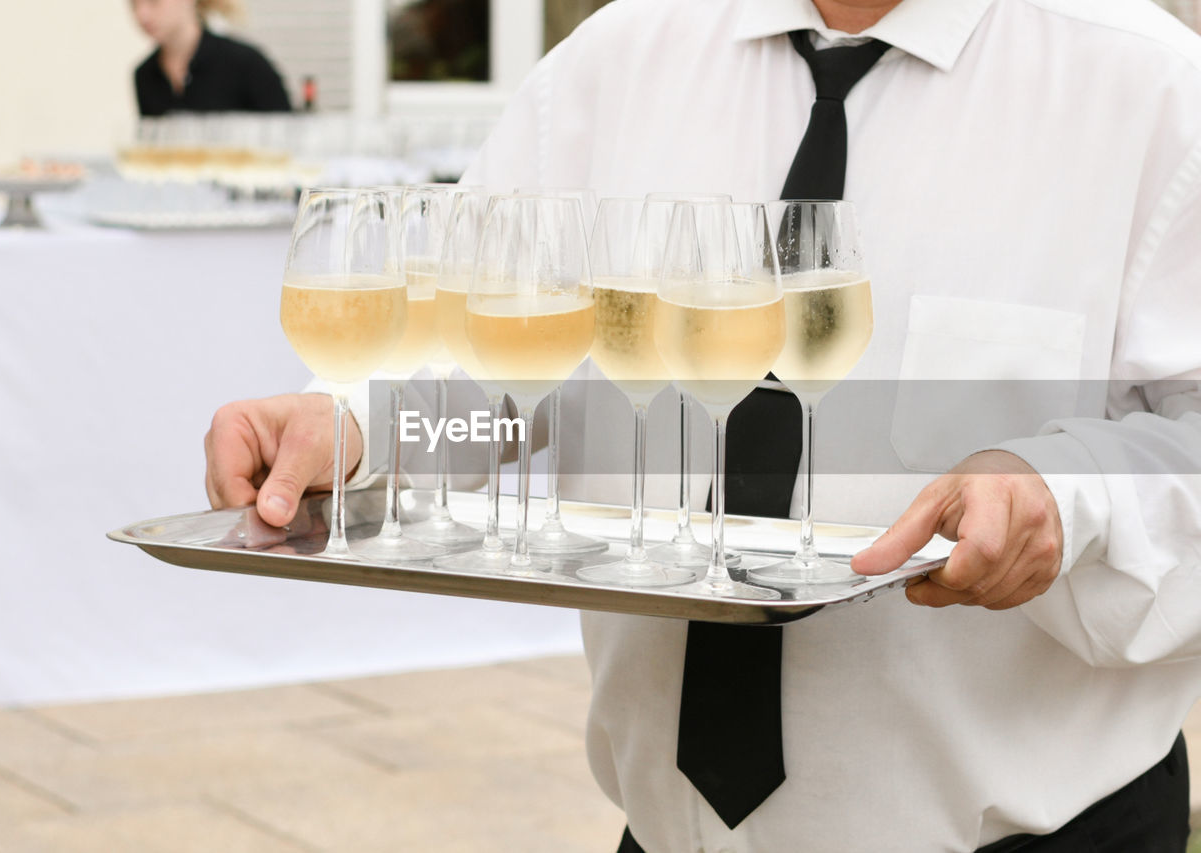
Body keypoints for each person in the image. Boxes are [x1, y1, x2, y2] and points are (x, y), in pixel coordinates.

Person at [204, 0, 1201, 849]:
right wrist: (355, 424)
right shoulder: (611, 61)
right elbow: (494, 359)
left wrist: (1068, 497)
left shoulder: (1149, 87)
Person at [131, 0, 291, 116]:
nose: (141, 14)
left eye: (153, 1)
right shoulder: (144, 75)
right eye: (133, 3)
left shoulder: (246, 64)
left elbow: (288, 136)